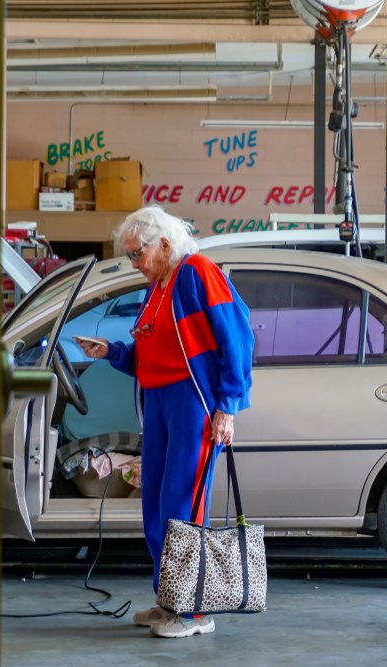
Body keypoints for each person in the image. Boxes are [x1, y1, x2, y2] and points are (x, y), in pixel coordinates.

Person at [75, 206, 254, 639]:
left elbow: (239, 337)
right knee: (155, 503)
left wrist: (227, 405)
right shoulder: (159, 286)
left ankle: (193, 612)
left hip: (193, 402)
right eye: (131, 256)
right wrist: (112, 352)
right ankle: (170, 598)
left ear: (165, 245)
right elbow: (150, 354)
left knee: (181, 504)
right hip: (160, 401)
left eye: (137, 254)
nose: (134, 263)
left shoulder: (196, 272)